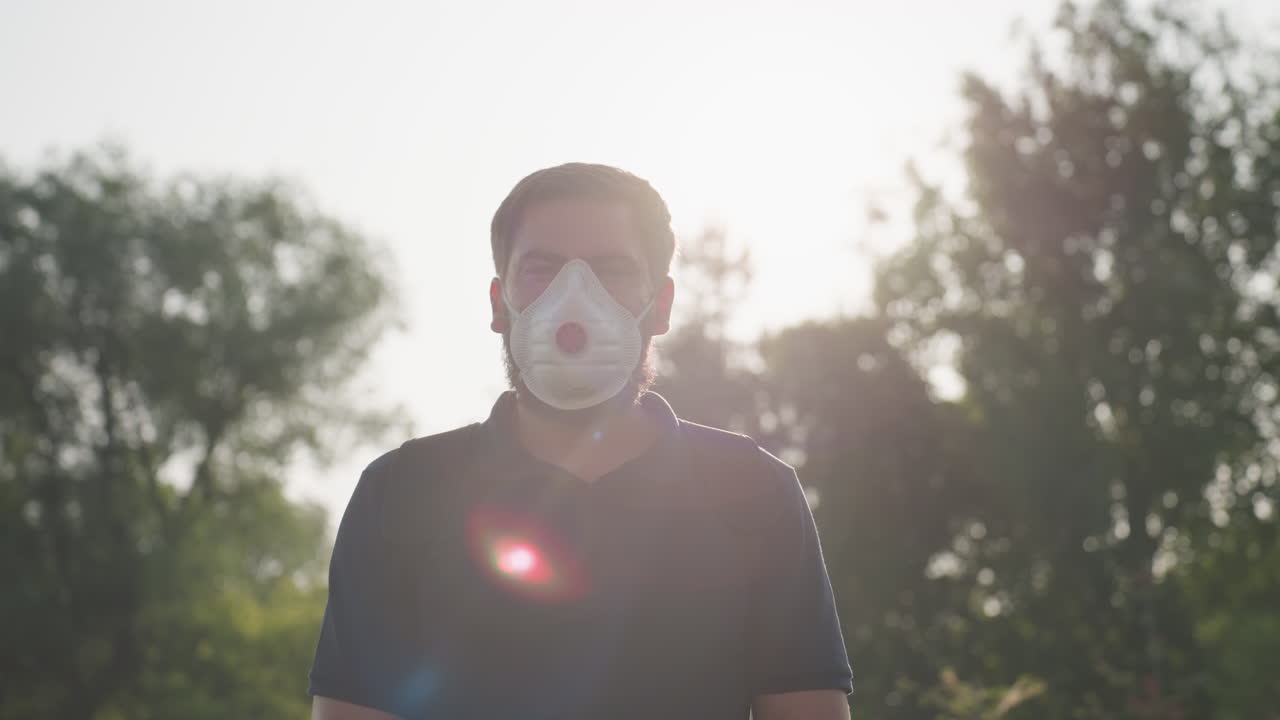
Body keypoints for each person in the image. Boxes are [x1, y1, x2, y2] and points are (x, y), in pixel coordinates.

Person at [309, 164, 853, 720]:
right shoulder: (401, 492)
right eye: (541, 269)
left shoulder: (754, 490)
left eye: (611, 270)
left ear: (660, 306)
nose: (573, 299)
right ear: (499, 305)